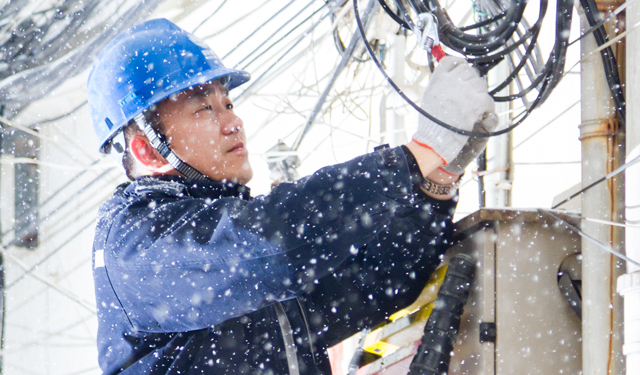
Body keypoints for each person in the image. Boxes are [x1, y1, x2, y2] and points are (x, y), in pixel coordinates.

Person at [87, 18, 496, 375]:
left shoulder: (254, 275)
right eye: (204, 109)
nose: (233, 122)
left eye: (227, 102)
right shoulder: (132, 245)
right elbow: (271, 244)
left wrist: (437, 178)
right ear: (147, 150)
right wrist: (416, 156)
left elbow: (378, 281)